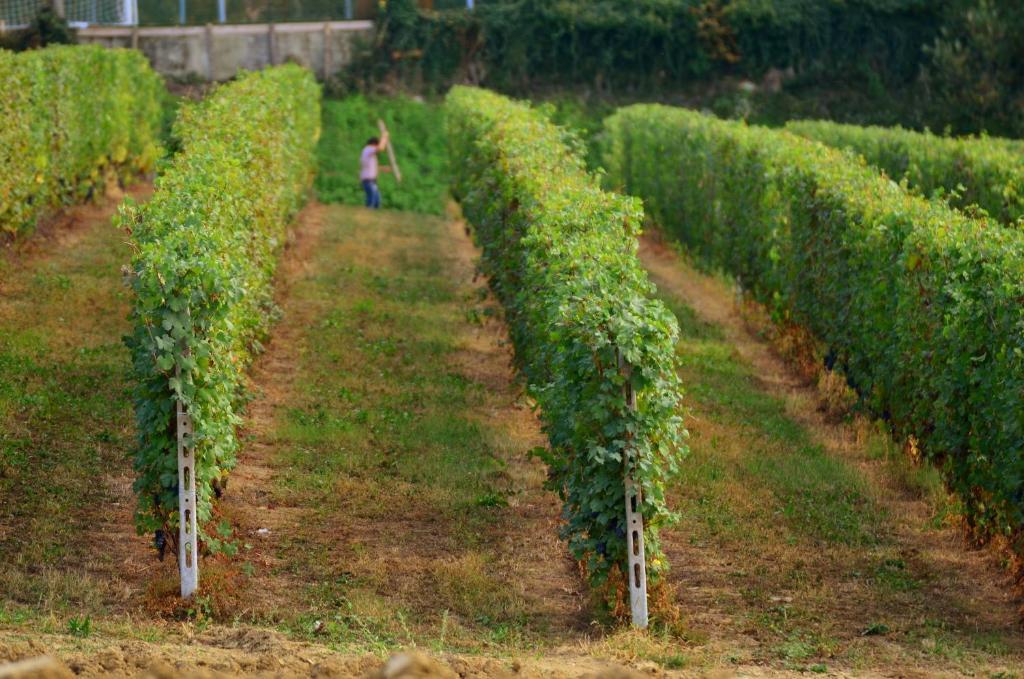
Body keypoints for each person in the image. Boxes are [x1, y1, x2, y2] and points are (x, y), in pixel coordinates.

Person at [360, 131, 391, 209]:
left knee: (377, 202)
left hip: (371, 181)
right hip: (369, 181)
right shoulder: (368, 149)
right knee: (372, 203)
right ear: (374, 144)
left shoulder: (368, 153)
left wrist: (383, 168)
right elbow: (381, 148)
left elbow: (372, 166)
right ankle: (368, 217)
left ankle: (370, 215)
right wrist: (384, 137)